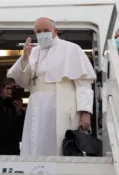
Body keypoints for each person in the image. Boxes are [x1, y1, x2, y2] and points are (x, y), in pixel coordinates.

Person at [7, 17, 96, 156]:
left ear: (56, 31)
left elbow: (84, 85)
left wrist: (85, 113)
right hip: (36, 105)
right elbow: (22, 81)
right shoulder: (33, 51)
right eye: (38, 31)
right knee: (35, 144)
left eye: (46, 30)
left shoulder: (71, 49)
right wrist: (24, 58)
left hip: (61, 104)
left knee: (59, 146)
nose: (42, 34)